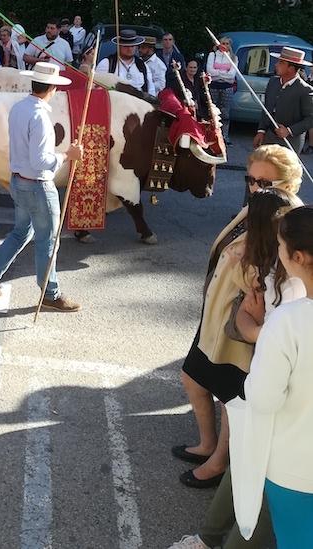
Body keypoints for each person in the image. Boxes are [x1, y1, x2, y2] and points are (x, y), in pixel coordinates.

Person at [173, 146, 302, 490]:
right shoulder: (261, 207)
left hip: (238, 326)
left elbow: (273, 279)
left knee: (231, 397)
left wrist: (251, 312)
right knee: (193, 377)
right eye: (251, 179)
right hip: (218, 319)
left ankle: (219, 462)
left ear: (287, 184)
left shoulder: (289, 222)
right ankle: (207, 445)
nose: (255, 187)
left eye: (264, 181)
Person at [230, 205, 313, 549]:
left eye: (280, 246)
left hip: (296, 466)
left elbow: (264, 398)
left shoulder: (289, 321)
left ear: (297, 256)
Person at [0, 61, 82, 312]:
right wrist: (68, 155)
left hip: (18, 181)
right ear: (52, 88)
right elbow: (41, 161)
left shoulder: (20, 107)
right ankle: (50, 294)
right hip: (37, 185)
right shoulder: (40, 115)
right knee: (48, 240)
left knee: (21, 232)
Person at [253, 46, 313, 153]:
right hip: (269, 137)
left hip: (290, 141)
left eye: (281, 63)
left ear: (291, 68)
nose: (276, 65)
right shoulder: (273, 82)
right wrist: (261, 131)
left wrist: (289, 131)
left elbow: (310, 119)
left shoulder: (305, 90)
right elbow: (266, 109)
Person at [97, 29, 154, 95]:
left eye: (132, 46)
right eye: (126, 46)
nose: (129, 49)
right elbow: (98, 88)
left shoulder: (142, 65)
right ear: (119, 46)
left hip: (138, 104)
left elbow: (151, 89)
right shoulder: (107, 64)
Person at [205, 37, 236, 145]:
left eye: (227, 43)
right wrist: (224, 74)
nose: (224, 45)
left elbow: (232, 75)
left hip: (227, 88)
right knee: (212, 111)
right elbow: (209, 71)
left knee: (225, 113)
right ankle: (210, 135)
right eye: (222, 43)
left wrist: (217, 73)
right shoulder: (212, 55)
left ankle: (224, 136)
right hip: (213, 86)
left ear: (229, 45)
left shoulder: (234, 58)